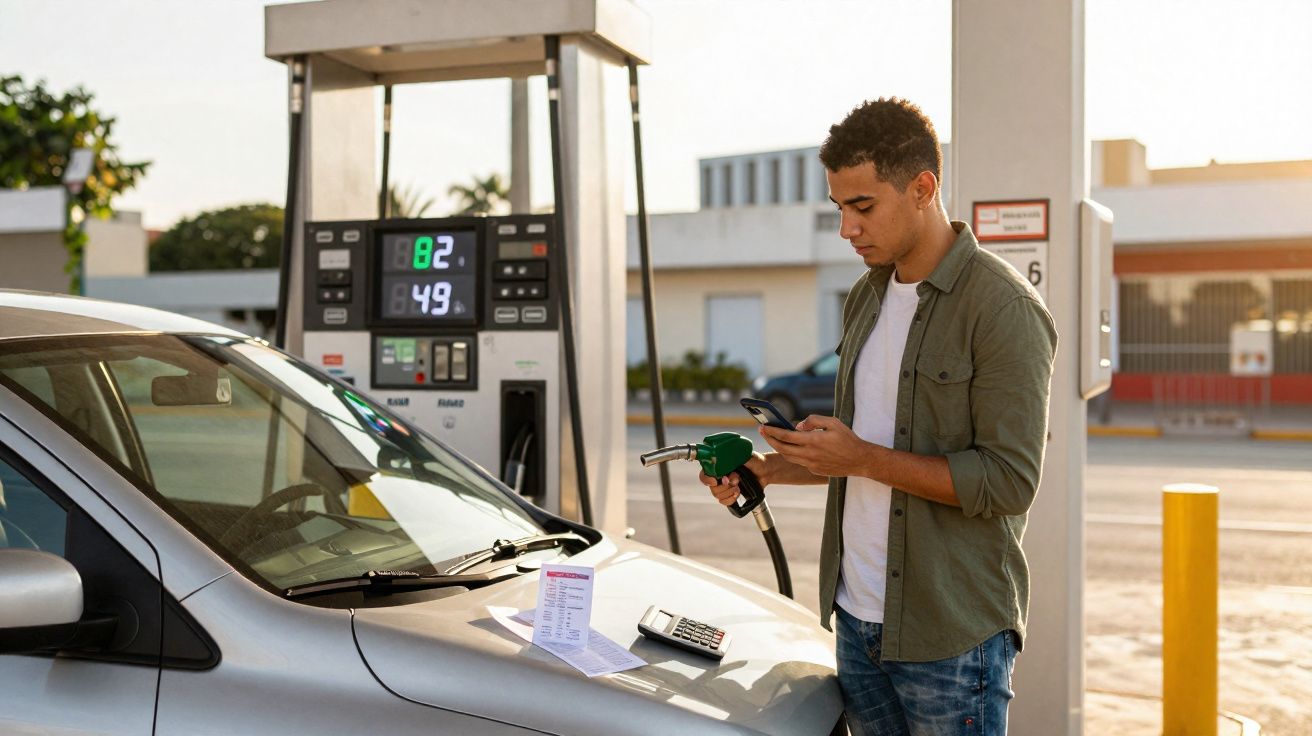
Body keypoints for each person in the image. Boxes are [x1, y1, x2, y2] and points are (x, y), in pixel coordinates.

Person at [701, 98, 1057, 735]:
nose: (847, 228)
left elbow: (1007, 482)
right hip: (856, 621)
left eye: (862, 206)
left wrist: (862, 458)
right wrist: (772, 469)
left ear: (923, 188)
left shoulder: (1003, 308)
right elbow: (861, 457)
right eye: (839, 207)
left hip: (950, 636)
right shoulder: (865, 299)